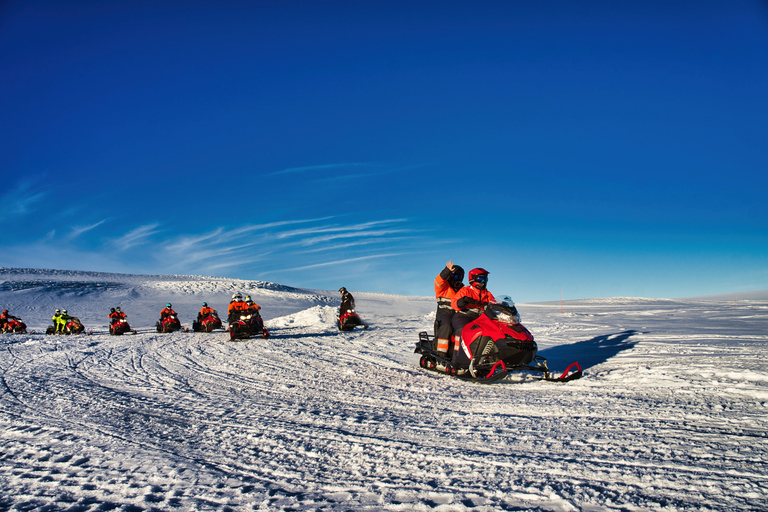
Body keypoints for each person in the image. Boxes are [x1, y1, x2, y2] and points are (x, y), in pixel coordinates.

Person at [451, 268, 497, 365]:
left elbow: (494, 305)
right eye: (480, 279)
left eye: (485, 279)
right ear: (473, 279)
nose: (483, 282)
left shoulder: (488, 294)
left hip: (480, 318)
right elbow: (454, 303)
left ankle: (489, 357)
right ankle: (457, 357)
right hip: (464, 315)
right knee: (463, 329)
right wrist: (463, 301)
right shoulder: (466, 290)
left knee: (494, 330)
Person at [433, 261, 465, 359]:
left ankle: (457, 353)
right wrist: (446, 271)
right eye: (455, 276)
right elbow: (438, 281)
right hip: (444, 312)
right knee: (447, 325)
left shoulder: (463, 289)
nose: (457, 279)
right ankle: (441, 352)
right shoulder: (444, 286)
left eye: (459, 277)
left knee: (461, 328)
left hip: (457, 313)